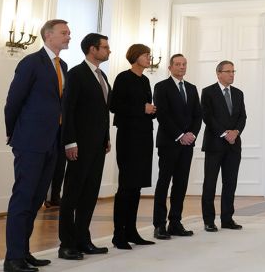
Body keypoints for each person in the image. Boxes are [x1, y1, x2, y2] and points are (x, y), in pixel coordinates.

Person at [3, 19, 70, 272]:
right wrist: (14, 134)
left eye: (69, 33)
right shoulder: (31, 62)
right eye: (64, 33)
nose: (68, 37)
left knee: (36, 200)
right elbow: (13, 102)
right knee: (23, 197)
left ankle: (24, 251)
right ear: (48, 35)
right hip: (30, 141)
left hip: (52, 142)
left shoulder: (62, 65)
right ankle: (12, 259)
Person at [58, 33, 112, 260]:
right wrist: (70, 141)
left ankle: (83, 238)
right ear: (92, 49)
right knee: (72, 194)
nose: (109, 51)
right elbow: (67, 110)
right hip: (78, 145)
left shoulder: (102, 75)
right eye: (105, 47)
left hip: (98, 145)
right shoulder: (76, 74)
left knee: (90, 194)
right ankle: (67, 244)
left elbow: (102, 111)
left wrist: (107, 137)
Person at [109, 44, 157, 249]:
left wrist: (152, 110)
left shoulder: (145, 79)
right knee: (127, 186)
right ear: (136, 57)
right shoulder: (123, 78)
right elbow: (114, 105)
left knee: (136, 186)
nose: (149, 58)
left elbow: (147, 108)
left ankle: (132, 230)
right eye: (146, 55)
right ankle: (118, 234)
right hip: (128, 137)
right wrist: (142, 108)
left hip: (144, 136)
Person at [152, 54, 202, 239]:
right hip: (169, 143)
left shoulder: (191, 88)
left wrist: (191, 135)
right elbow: (162, 115)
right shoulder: (162, 87)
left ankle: (175, 222)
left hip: (187, 144)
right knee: (163, 184)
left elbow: (198, 115)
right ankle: (159, 225)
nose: (182, 67)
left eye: (184, 64)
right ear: (170, 67)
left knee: (181, 184)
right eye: (178, 64)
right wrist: (180, 135)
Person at [201, 60, 247, 232]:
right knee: (210, 183)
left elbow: (243, 117)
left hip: (234, 145)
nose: (231, 74)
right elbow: (208, 117)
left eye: (233, 71)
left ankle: (227, 218)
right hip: (215, 144)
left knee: (230, 183)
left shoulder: (238, 93)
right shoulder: (208, 92)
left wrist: (235, 132)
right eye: (228, 71)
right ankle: (209, 220)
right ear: (218, 73)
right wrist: (224, 133)